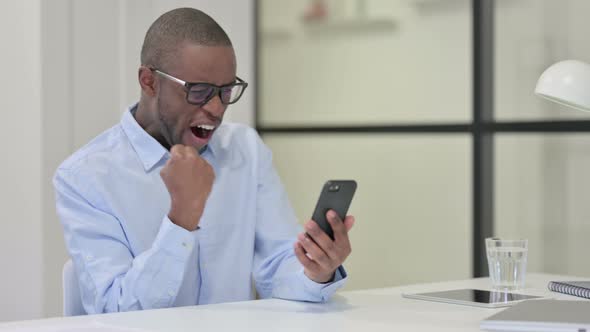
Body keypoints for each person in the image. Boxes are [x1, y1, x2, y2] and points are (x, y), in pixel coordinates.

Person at [54, 7, 355, 314]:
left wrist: (316, 272)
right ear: (149, 82)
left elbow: (277, 265)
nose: (216, 108)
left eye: (226, 92)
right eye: (198, 91)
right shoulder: (85, 176)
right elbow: (113, 311)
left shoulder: (246, 150)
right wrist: (181, 220)